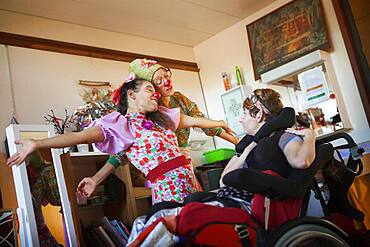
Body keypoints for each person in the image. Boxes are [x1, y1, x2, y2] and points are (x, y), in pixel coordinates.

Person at [8, 75, 232, 204]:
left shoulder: (161, 119)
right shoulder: (121, 125)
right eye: (149, 89)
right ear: (132, 95)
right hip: (169, 193)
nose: (155, 93)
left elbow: (194, 121)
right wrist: (37, 143)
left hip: (193, 183)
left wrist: (220, 122)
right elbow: (77, 136)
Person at [218, 88, 316, 198]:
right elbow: (223, 181)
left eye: (245, 114)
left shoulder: (284, 136)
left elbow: (301, 162)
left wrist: (310, 136)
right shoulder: (246, 147)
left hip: (261, 206)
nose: (241, 120)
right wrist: (247, 150)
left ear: (259, 114)